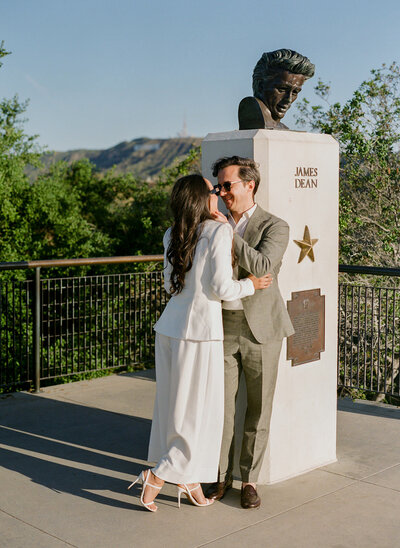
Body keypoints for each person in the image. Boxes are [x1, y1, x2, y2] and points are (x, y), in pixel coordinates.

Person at [128, 174, 272, 512]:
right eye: (213, 190)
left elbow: (169, 286)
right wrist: (251, 285)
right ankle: (158, 476)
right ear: (200, 197)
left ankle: (189, 480)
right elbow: (222, 288)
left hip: (169, 328)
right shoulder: (219, 232)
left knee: (173, 410)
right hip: (200, 333)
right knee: (196, 413)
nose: (218, 193)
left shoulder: (171, 233)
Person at [205, 156, 294, 509]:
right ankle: (220, 474)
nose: (222, 192)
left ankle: (249, 480)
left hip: (263, 330)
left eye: (228, 185)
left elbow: (262, 266)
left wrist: (226, 231)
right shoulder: (210, 224)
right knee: (223, 409)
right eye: (219, 186)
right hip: (221, 326)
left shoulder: (276, 226)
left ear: (249, 185)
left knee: (258, 410)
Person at [238, 48, 315, 130]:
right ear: (260, 86)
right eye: (282, 89)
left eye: (295, 92)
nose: (288, 99)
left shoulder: (283, 129)